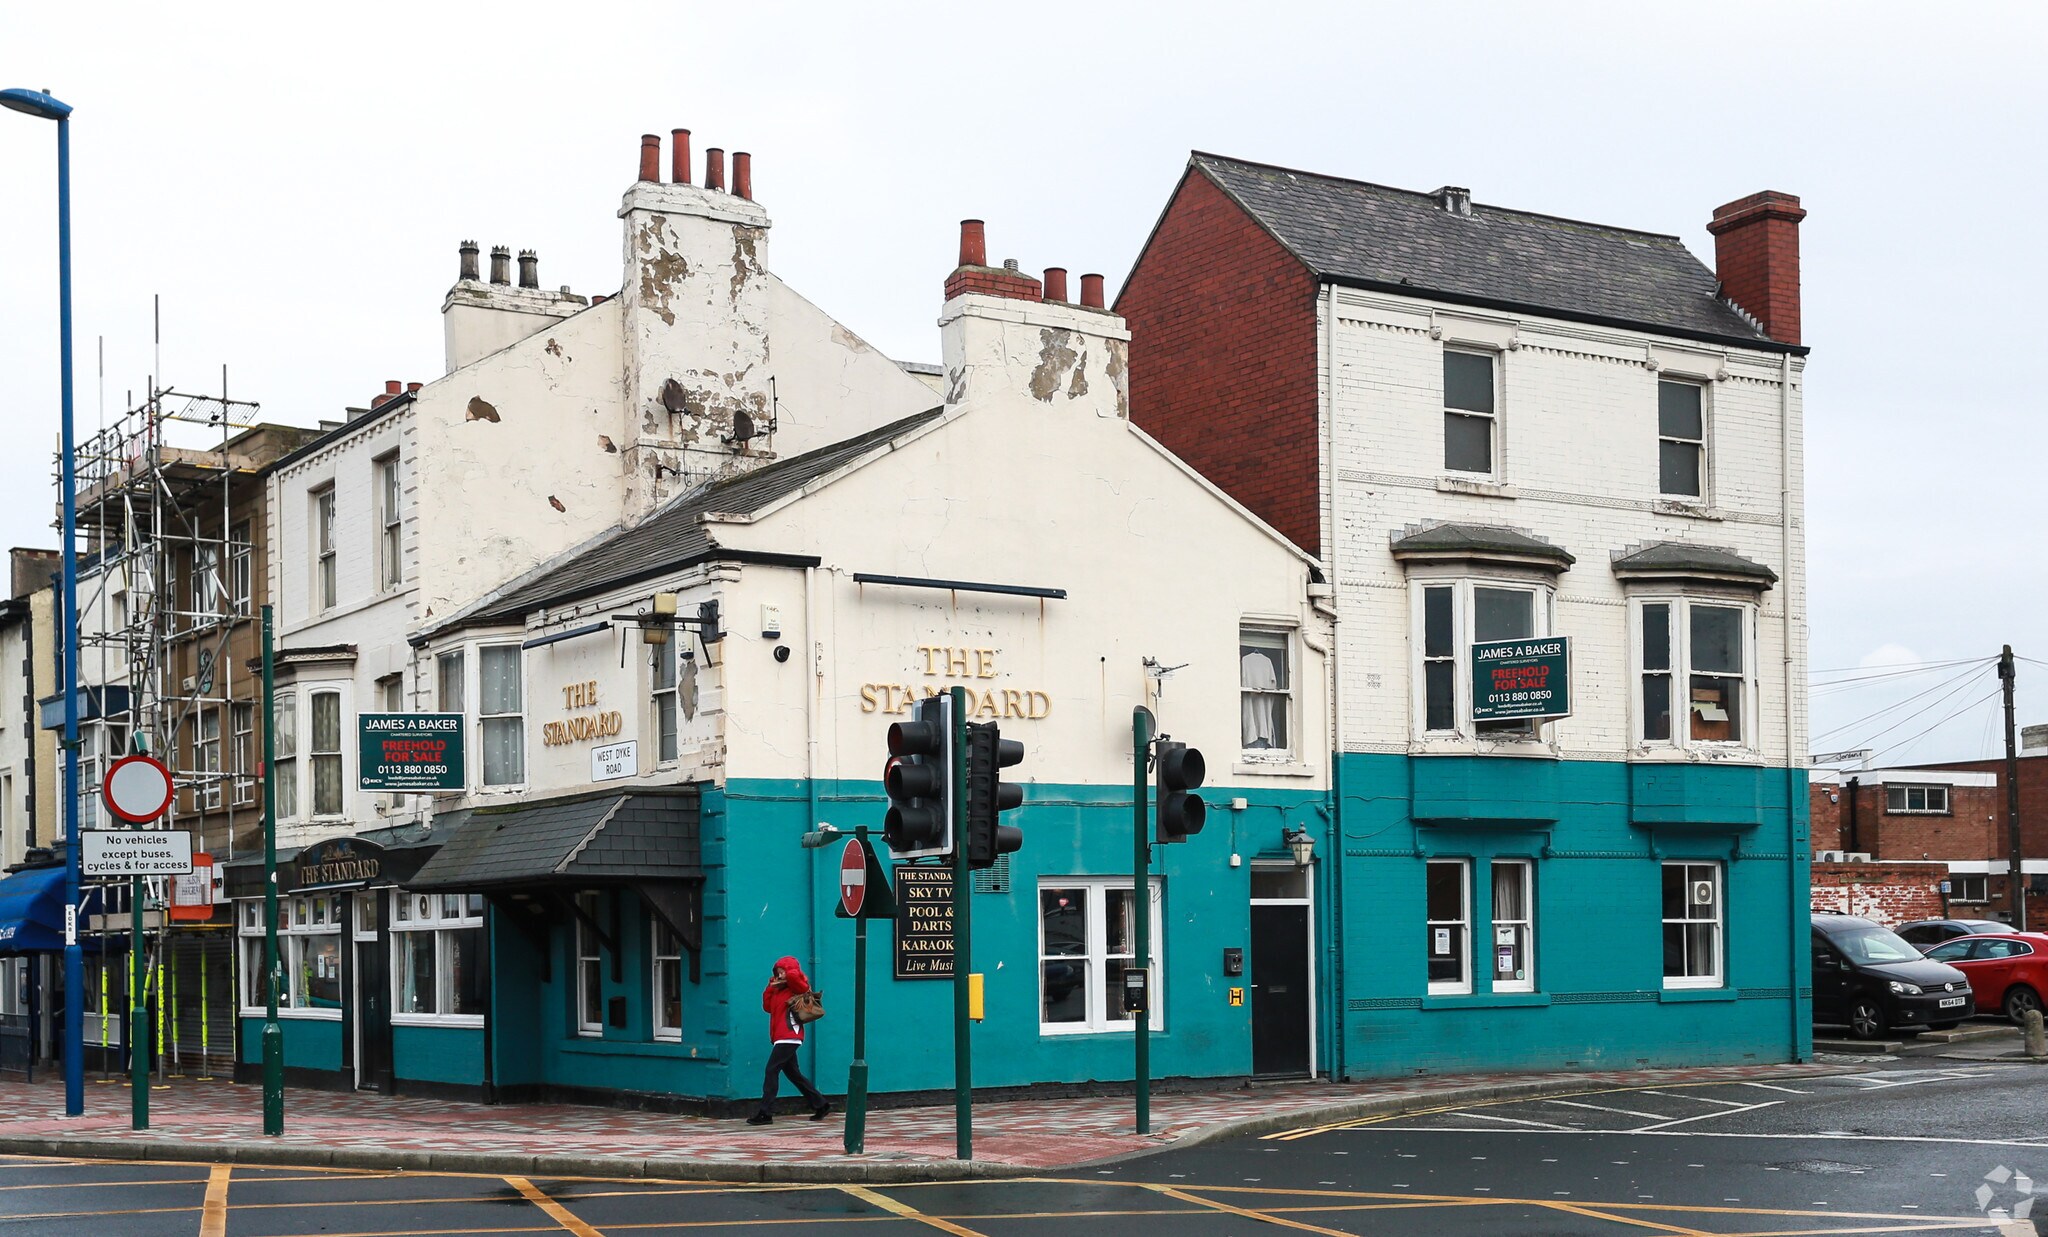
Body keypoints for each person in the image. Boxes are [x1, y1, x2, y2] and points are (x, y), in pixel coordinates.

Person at [748, 955, 829, 1125]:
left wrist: (789, 970)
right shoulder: (779, 990)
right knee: (794, 1074)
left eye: (782, 971)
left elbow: (799, 981)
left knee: (771, 1070)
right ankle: (821, 1104)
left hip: (790, 1035)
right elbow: (767, 1007)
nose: (780, 975)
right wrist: (771, 986)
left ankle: (765, 1112)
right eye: (778, 972)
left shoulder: (796, 986)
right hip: (780, 1036)